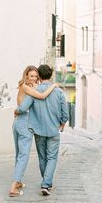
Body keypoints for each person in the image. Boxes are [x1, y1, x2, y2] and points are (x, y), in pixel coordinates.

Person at [17, 64, 69, 196]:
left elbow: (23, 108)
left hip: (38, 130)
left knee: (42, 157)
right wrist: (62, 123)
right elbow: (65, 113)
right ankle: (46, 184)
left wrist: (16, 111)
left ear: (39, 76)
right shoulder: (58, 91)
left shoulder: (34, 90)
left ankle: (46, 182)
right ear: (51, 75)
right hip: (53, 129)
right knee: (52, 157)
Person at [9, 65, 57, 197]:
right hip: (24, 124)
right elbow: (42, 96)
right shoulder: (27, 88)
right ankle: (13, 188)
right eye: (31, 76)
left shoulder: (24, 86)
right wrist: (52, 86)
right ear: (26, 76)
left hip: (17, 123)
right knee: (23, 156)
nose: (34, 78)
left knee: (19, 154)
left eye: (36, 76)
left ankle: (18, 182)